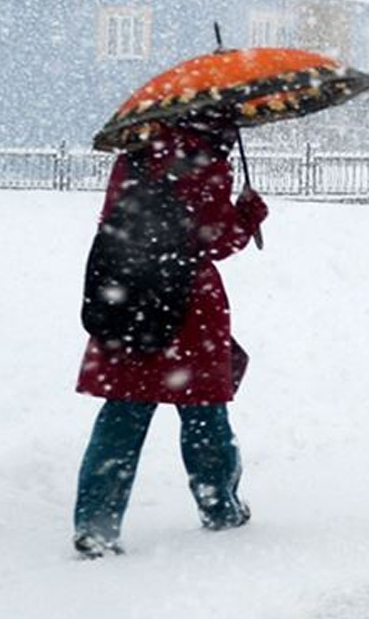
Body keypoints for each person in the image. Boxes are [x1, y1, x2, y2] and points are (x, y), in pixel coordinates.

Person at [71, 124, 267, 559]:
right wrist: (248, 216)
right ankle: (221, 507)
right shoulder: (207, 162)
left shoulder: (134, 155)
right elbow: (215, 240)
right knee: (204, 413)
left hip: (131, 295)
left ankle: (96, 524)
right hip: (187, 304)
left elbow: (112, 221)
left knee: (123, 413)